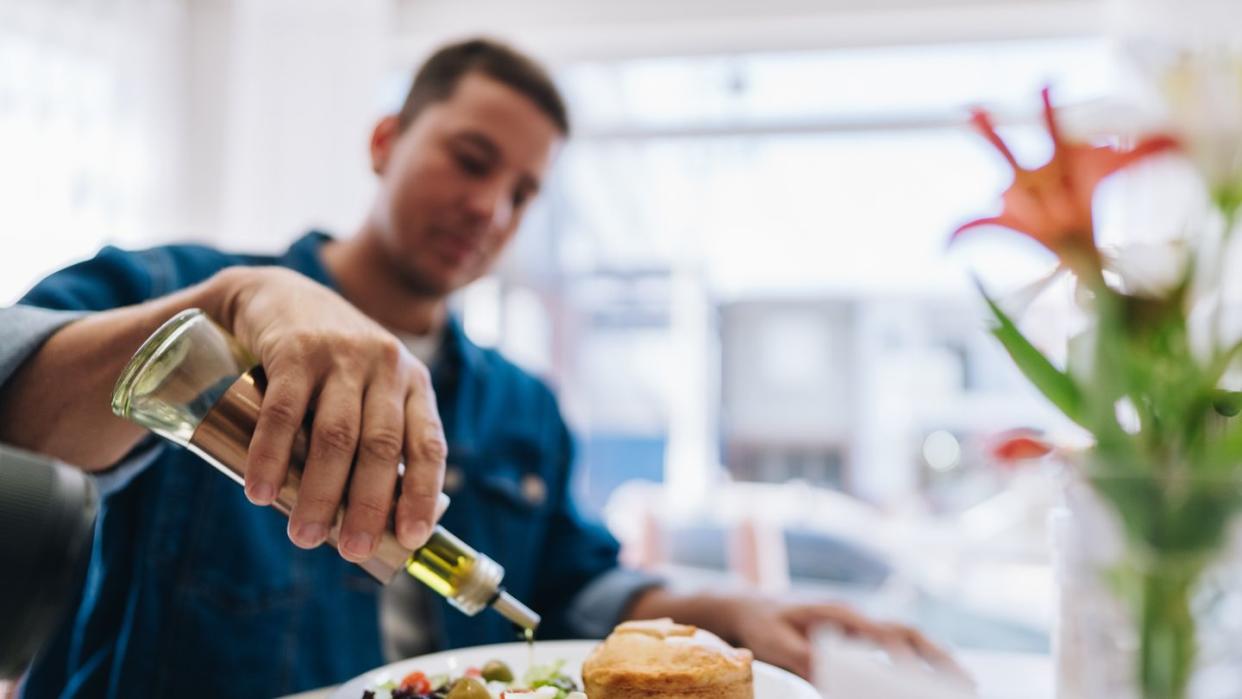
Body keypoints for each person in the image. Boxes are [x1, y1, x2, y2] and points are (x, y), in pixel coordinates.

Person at [0, 39, 956, 698]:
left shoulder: (521, 405)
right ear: (386, 142)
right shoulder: (173, 287)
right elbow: (20, 417)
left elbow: (568, 588)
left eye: (523, 191)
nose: (490, 206)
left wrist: (710, 608)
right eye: (469, 158)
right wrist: (234, 303)